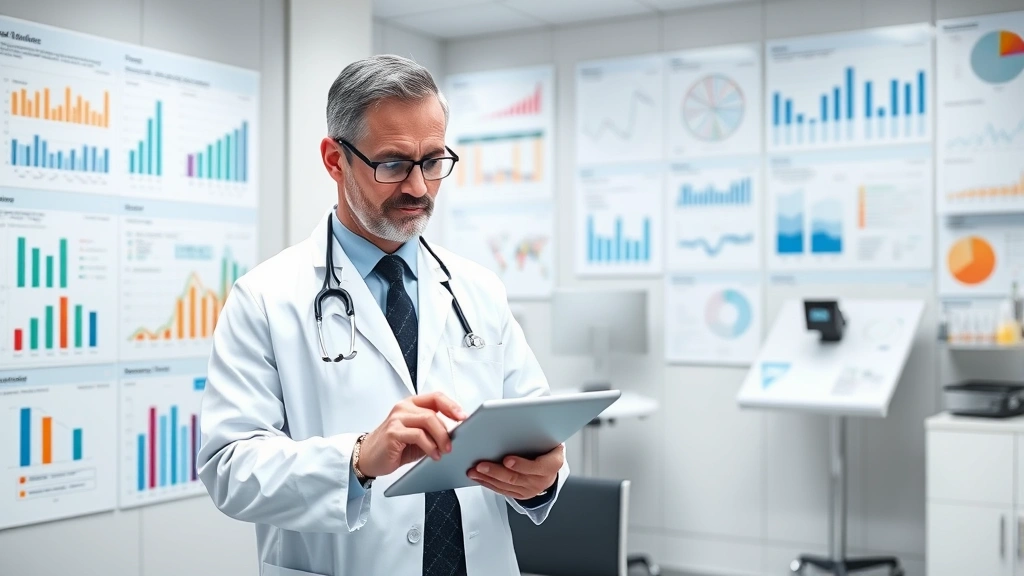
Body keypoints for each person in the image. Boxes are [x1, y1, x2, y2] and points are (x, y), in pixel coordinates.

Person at [197, 54, 569, 576]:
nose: (418, 187)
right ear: (334, 160)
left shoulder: (479, 289)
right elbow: (229, 469)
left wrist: (543, 477)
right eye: (393, 164)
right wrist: (357, 459)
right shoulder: (264, 297)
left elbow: (534, 427)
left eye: (434, 161)